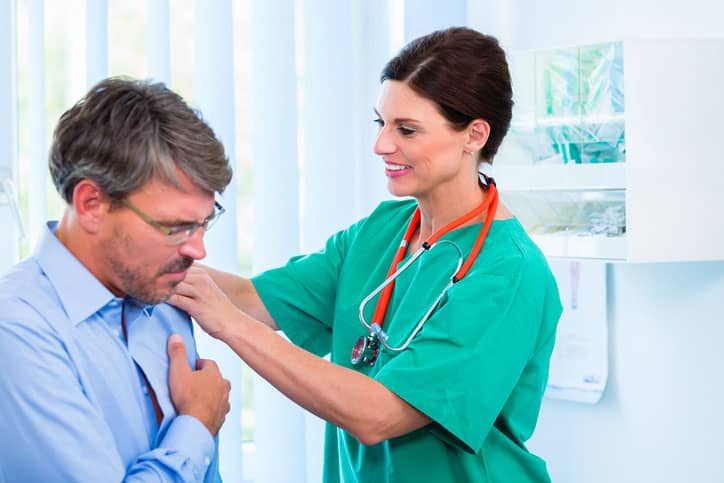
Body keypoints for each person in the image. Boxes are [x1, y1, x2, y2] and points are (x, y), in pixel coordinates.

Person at [171, 27, 563, 483]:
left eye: (407, 130)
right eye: (382, 123)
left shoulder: (508, 271)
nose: (382, 145)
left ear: (474, 135)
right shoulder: (382, 232)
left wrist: (229, 326)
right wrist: (151, 257)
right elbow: (250, 298)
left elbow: (378, 415)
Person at [0, 78, 233, 482]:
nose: (198, 251)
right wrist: (197, 424)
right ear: (91, 204)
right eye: (175, 226)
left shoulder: (161, 297)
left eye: (204, 223)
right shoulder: (17, 331)